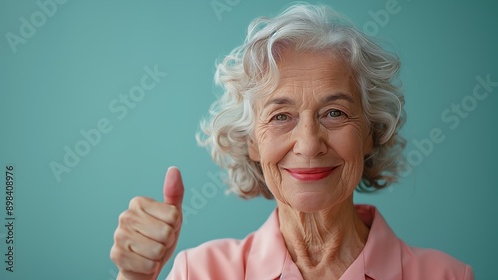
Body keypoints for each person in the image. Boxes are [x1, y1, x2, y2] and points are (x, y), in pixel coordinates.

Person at [110, 3, 474, 280]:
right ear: (252, 142)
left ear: (370, 133)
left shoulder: (447, 275)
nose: (309, 144)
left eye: (334, 113)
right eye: (281, 116)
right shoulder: (199, 272)